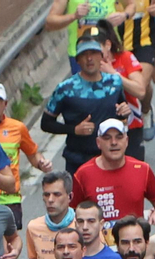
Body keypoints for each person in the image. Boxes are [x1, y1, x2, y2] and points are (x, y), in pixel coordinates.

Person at [43, 35, 133, 175]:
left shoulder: (114, 82)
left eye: (93, 53)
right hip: (79, 160)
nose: (89, 58)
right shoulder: (65, 89)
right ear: (78, 60)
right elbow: (46, 123)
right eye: (84, 55)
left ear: (101, 57)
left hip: (111, 159)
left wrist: (125, 111)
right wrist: (74, 129)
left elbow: (121, 112)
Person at [0, 80, 52, 223]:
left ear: (6, 103)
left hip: (10, 199)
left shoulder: (18, 128)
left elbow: (33, 153)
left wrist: (42, 163)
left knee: (10, 244)